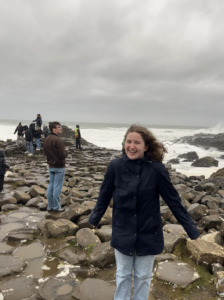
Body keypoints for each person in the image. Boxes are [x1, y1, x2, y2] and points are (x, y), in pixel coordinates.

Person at [88, 124, 200, 300]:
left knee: (143, 277)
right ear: (124, 143)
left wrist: (191, 229)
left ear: (146, 146)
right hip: (123, 229)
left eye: (137, 142)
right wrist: (95, 217)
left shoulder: (157, 170)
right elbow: (104, 195)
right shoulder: (115, 166)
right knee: (123, 275)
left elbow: (173, 201)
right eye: (128, 141)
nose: (131, 146)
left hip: (149, 232)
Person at [43, 121, 68, 213]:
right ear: (53, 129)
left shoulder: (46, 139)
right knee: (57, 187)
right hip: (59, 166)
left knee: (51, 186)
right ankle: (56, 207)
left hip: (51, 165)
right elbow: (63, 155)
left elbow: (45, 152)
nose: (60, 128)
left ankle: (50, 206)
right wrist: (66, 150)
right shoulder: (58, 140)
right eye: (58, 127)